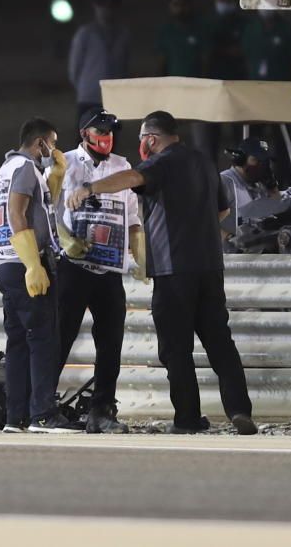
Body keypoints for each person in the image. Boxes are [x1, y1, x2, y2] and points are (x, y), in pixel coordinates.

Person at [66, 111, 257, 435]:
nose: (141, 145)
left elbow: (131, 179)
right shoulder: (204, 163)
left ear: (151, 139)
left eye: (142, 138)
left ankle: (187, 418)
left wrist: (90, 188)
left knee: (175, 347)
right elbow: (222, 210)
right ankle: (239, 409)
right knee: (220, 343)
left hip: (173, 270)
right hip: (210, 267)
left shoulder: (162, 162)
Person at [0, 118, 81, 433]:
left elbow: (40, 203)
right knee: (43, 340)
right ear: (41, 144)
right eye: (53, 142)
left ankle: (16, 417)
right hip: (26, 263)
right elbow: (17, 211)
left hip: (7, 265)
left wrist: (57, 175)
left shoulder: (7, 169)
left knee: (20, 343)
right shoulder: (25, 169)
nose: (55, 149)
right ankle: (43, 415)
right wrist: (34, 266)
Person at [53, 109, 143, 434]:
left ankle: (102, 409)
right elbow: (49, 212)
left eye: (111, 132)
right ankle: (42, 407)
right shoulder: (64, 164)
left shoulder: (123, 166)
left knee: (111, 343)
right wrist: (65, 241)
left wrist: (140, 254)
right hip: (72, 267)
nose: (106, 137)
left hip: (109, 269)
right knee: (60, 336)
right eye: (100, 131)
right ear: (83, 134)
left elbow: (132, 217)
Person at [68, 0, 130, 127]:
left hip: (114, 95)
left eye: (111, 6)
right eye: (103, 5)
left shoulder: (123, 34)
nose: (107, 10)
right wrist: (83, 88)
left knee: (111, 139)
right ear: (96, 7)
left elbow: (124, 65)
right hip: (89, 95)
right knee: (85, 139)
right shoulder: (85, 33)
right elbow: (75, 67)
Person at [219, 137, 278, 239]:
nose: (262, 165)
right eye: (256, 160)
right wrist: (228, 239)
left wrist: (272, 187)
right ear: (240, 160)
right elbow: (206, 220)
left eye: (264, 162)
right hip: (233, 251)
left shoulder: (259, 185)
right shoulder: (225, 181)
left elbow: (277, 211)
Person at [155, 0, 203, 77]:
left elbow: (206, 61)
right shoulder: (165, 31)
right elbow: (161, 61)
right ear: (169, 6)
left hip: (197, 84)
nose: (180, 8)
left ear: (191, 5)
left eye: (184, 4)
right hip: (172, 84)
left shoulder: (200, 29)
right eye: (175, 4)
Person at [242, 10, 291, 81]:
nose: (266, 9)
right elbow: (245, 54)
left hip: (280, 81)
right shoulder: (251, 28)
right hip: (256, 80)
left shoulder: (288, 29)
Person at [204, 0, 248, 81]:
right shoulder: (207, 22)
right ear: (215, 0)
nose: (225, 2)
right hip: (213, 75)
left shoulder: (243, 23)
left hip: (237, 75)